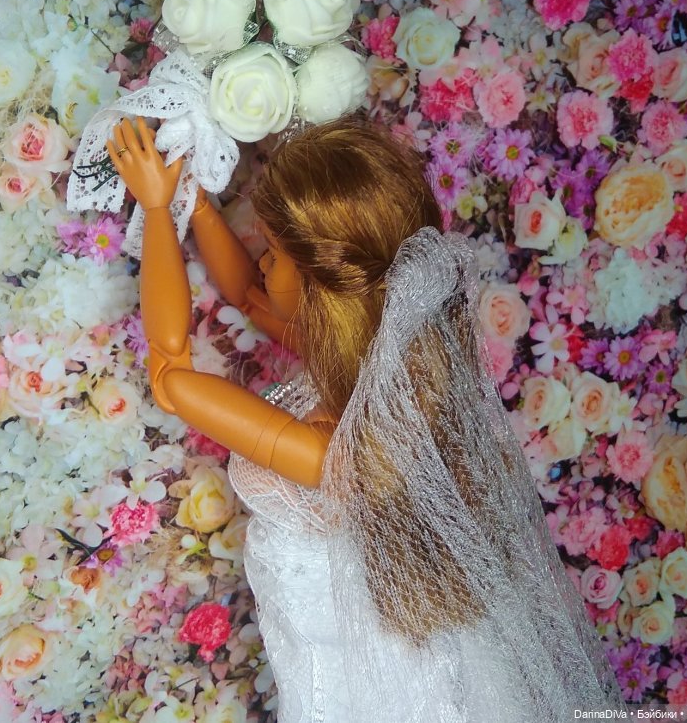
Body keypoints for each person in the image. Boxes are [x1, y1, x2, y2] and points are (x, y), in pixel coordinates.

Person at [106, 116, 626, 722]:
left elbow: (170, 378)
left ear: (321, 289)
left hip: (356, 672)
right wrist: (192, 204)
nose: (261, 264)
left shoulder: (326, 448)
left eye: (273, 254)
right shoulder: (379, 366)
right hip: (332, 635)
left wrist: (156, 208)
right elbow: (249, 294)